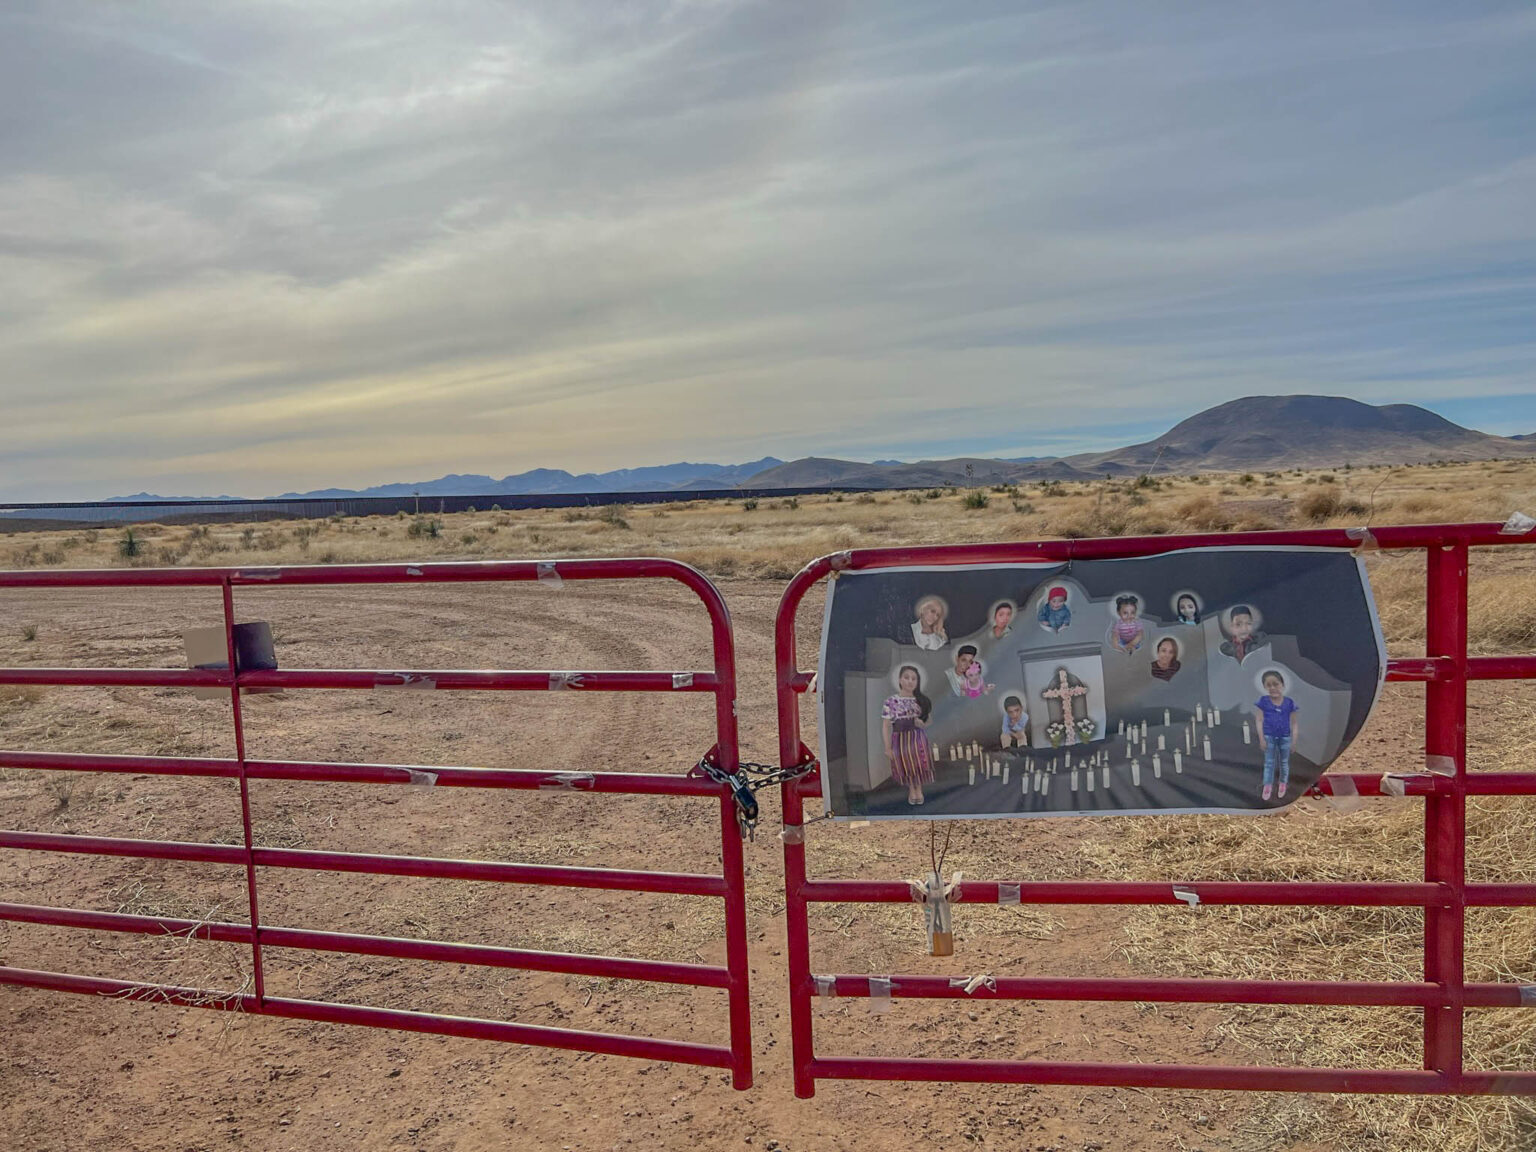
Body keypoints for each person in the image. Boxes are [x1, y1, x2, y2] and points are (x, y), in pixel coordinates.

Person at [882, 665, 934, 805]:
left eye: (913, 679)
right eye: (906, 677)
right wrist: (887, 748)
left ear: (917, 682)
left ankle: (919, 789)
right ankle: (912, 790)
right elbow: (886, 725)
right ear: (900, 680)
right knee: (907, 765)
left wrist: (921, 724)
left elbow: (929, 720)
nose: (910, 681)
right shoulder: (891, 701)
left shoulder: (921, 700)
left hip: (917, 738)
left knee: (918, 763)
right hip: (900, 739)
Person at [1253, 670, 1300, 801]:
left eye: (1276, 684)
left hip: (1285, 737)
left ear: (1282, 685)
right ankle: (1267, 785)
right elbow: (1259, 720)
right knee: (1269, 762)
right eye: (1269, 685)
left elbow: (1294, 723)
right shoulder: (1263, 701)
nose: (1273, 688)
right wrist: (1261, 738)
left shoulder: (1289, 703)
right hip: (1269, 736)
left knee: (1284, 762)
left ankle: (1283, 783)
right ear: (1265, 687)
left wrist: (1294, 741)